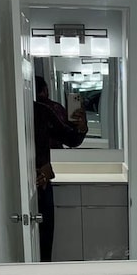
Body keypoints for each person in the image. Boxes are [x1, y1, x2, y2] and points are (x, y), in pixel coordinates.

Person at [33, 76, 88, 261]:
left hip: (43, 182)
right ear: (44, 90)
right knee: (41, 240)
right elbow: (71, 139)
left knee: (45, 241)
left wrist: (82, 128)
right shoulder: (46, 110)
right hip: (38, 181)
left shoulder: (44, 112)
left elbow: (71, 138)